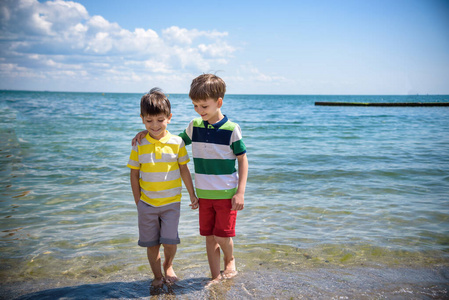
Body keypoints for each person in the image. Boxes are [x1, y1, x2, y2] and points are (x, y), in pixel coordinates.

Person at [133, 75, 248, 284]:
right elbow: (171, 140)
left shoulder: (232, 129)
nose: (199, 110)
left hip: (226, 193)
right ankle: (214, 277)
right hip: (204, 194)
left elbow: (243, 160)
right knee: (209, 237)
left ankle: (230, 260)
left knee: (222, 235)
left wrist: (240, 192)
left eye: (203, 106)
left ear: (218, 102)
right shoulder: (194, 125)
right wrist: (148, 130)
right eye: (195, 105)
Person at [127, 88, 198, 290]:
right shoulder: (139, 143)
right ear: (142, 120)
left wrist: (192, 194)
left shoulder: (177, 142)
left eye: (160, 120)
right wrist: (138, 201)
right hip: (147, 203)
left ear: (169, 117)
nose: (155, 125)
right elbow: (134, 174)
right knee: (151, 244)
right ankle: (157, 275)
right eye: (149, 121)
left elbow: (184, 169)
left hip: (171, 203)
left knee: (170, 242)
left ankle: (168, 266)